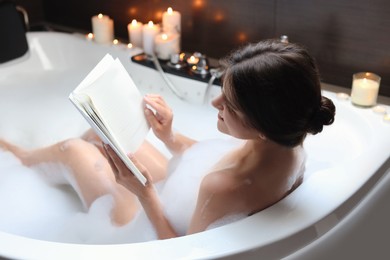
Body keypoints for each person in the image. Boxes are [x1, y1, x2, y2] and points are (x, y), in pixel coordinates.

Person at [0, 39, 335, 240]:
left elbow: (178, 251)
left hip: (147, 226)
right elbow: (219, 157)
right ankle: (29, 159)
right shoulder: (288, 141)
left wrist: (144, 193)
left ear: (261, 123)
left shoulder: (224, 187)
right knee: (99, 134)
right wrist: (169, 137)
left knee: (74, 148)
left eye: (228, 105)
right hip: (181, 196)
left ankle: (16, 155)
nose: (215, 104)